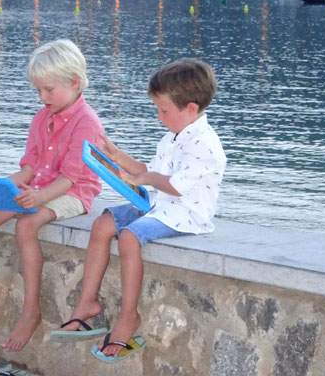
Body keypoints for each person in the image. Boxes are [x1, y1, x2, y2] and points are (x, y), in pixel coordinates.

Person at [59, 58, 226, 361]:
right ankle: (87, 303)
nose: (159, 116)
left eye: (164, 110)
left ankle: (128, 317)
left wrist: (145, 178)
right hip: (161, 203)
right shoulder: (173, 136)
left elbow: (175, 185)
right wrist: (116, 156)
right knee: (102, 225)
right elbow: (149, 170)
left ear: (190, 108)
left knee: (129, 237)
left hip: (185, 212)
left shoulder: (206, 144)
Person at [0, 39, 104, 352]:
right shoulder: (42, 117)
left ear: (74, 82)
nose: (42, 97)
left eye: (48, 90)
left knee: (27, 225)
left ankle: (31, 311)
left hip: (74, 191)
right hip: (39, 186)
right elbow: (28, 169)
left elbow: (69, 179)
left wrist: (37, 200)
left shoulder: (87, 123)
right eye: (38, 90)